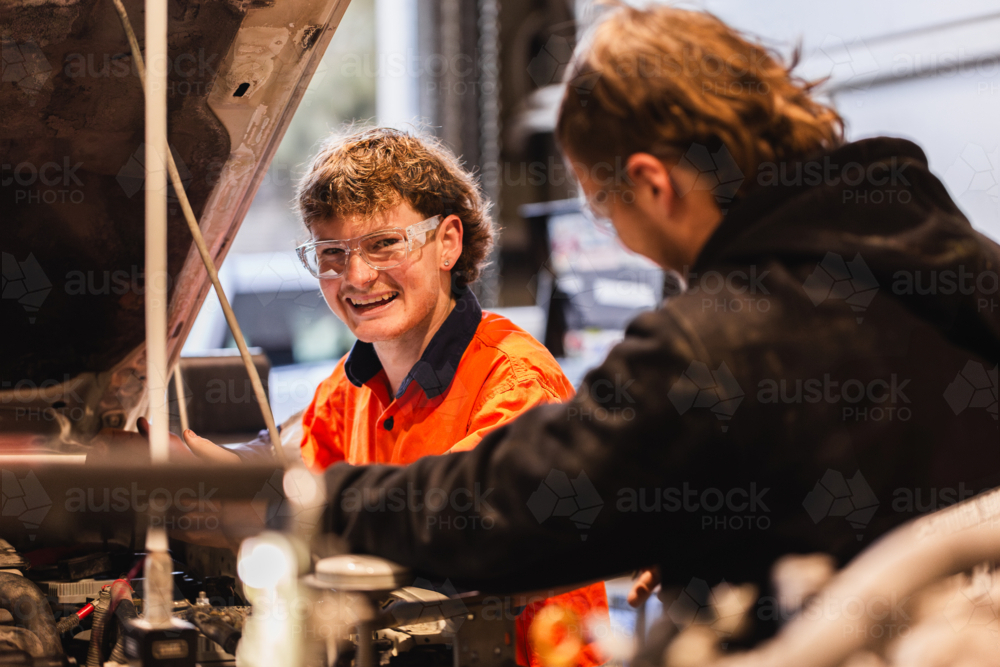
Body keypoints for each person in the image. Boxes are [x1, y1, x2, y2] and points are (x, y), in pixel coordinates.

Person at [307, 2, 1000, 642]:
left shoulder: (718, 338)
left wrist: (310, 501)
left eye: (607, 211)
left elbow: (517, 503)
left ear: (653, 184)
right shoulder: (956, 266)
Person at [116, 127, 607, 667]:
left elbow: (457, 516)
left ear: (448, 241)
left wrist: (265, 501)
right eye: (331, 253)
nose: (356, 275)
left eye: (384, 244)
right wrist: (207, 478)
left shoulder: (515, 381)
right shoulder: (347, 388)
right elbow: (292, 462)